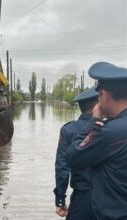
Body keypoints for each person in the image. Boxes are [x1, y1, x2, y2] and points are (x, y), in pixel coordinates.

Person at [66, 62, 127, 219]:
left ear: (106, 95)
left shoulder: (110, 132)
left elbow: (73, 156)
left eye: (99, 95)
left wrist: (93, 121)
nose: (98, 100)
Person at [54, 86, 98, 219]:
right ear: (98, 104)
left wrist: (60, 199)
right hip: (110, 196)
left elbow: (62, 167)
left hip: (81, 197)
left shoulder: (68, 130)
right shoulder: (112, 127)